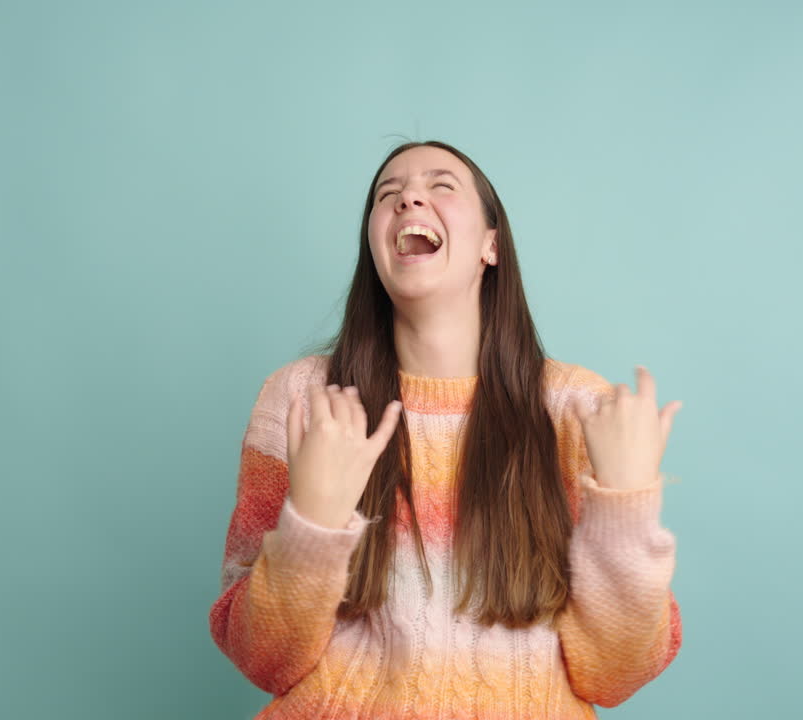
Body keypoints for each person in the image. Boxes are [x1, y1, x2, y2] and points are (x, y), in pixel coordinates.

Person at [209, 140, 684, 719]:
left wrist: (624, 516)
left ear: (491, 244)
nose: (409, 197)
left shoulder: (575, 409)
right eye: (389, 194)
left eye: (441, 186)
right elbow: (262, 660)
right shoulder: (300, 400)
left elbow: (615, 673)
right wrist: (312, 520)